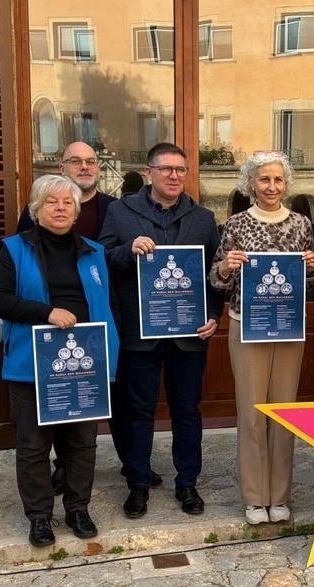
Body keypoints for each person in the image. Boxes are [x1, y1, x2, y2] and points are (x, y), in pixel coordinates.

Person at [0, 175, 119, 547]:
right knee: (33, 445)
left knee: (82, 443)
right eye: (52, 202)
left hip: (84, 363)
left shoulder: (94, 252)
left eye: (68, 202)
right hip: (32, 365)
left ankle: (78, 508)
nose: (60, 208)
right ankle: (40, 516)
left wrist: (109, 357)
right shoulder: (14, 249)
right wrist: (47, 313)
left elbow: (105, 307)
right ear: (36, 209)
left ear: (77, 211)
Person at [98, 142, 224, 519]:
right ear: (149, 171)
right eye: (166, 169)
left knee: (187, 411)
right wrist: (127, 250)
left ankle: (187, 482)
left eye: (180, 170)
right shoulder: (121, 213)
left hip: (189, 334)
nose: (174, 176)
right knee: (138, 411)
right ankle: (137, 484)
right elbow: (101, 262)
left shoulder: (202, 217)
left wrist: (214, 315)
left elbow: (216, 274)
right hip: (140, 332)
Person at [14, 142, 136, 494]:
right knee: (60, 406)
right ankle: (63, 469)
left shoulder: (116, 209)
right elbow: (23, 264)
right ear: (62, 168)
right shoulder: (33, 217)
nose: (85, 167)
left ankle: (128, 465)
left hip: (101, 322)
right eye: (76, 161)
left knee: (107, 401)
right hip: (52, 329)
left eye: (91, 162)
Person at [209, 151, 314, 525]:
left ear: (286, 183)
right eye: (263, 180)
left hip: (289, 326)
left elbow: (309, 282)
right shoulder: (237, 224)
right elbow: (217, 278)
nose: (271, 187)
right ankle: (256, 497)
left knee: (283, 412)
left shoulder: (302, 224)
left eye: (278, 179)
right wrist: (225, 267)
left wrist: (313, 269)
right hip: (247, 324)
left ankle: (280, 494)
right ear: (250, 184)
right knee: (253, 411)